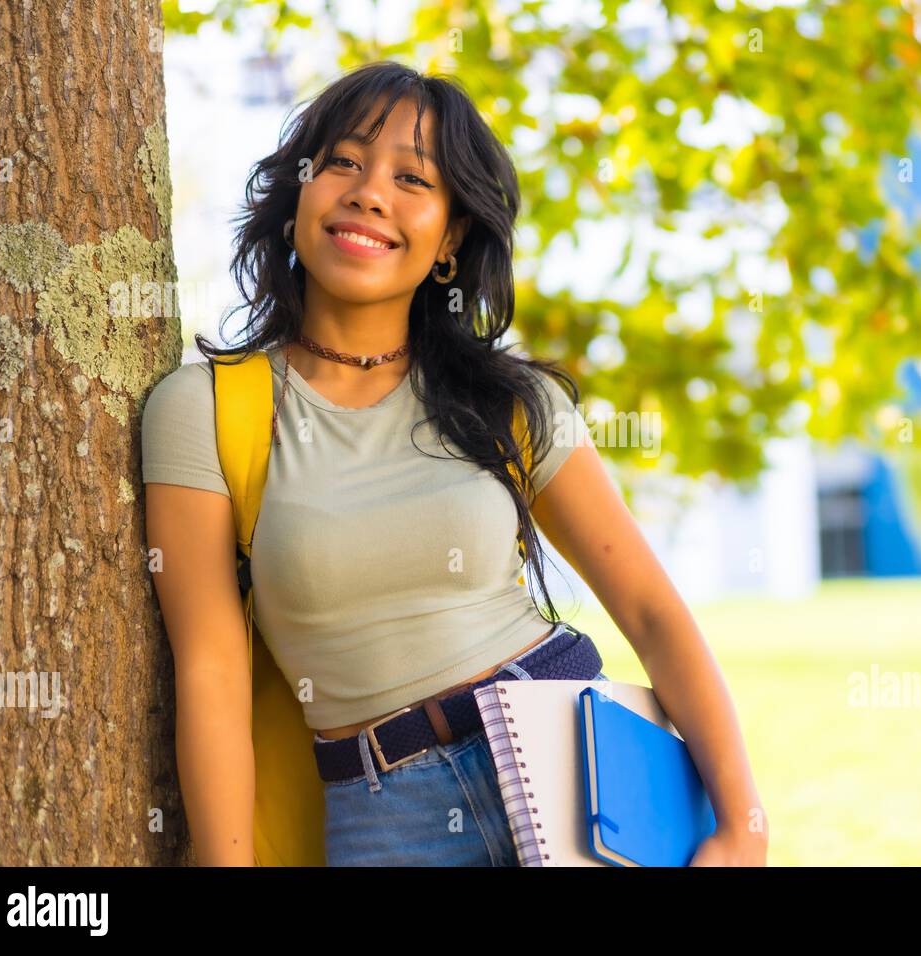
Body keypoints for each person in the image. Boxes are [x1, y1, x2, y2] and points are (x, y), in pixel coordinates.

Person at [141, 61, 766, 866]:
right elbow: (211, 672)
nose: (370, 193)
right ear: (298, 193)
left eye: (412, 178)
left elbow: (650, 610)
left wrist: (741, 823)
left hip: (574, 774)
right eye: (343, 162)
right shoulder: (205, 409)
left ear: (451, 237)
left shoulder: (513, 403)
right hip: (385, 817)